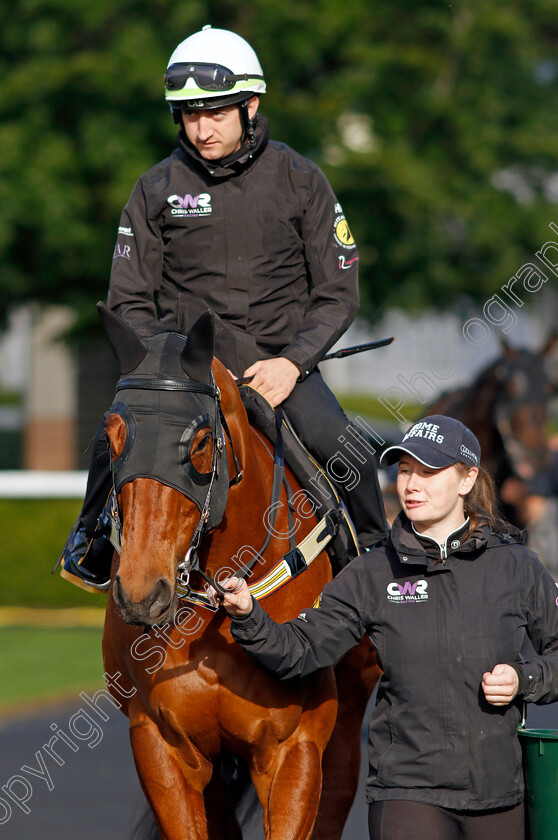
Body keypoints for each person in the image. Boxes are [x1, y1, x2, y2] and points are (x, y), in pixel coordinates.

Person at [57, 25, 388, 592]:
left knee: (343, 446)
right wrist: (165, 368)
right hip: (187, 374)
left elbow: (338, 291)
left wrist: (293, 363)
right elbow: (129, 298)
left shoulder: (301, 179)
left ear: (250, 105)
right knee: (111, 434)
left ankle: (380, 571)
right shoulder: (154, 188)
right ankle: (88, 540)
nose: (202, 128)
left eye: (216, 113)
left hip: (282, 370)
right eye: (189, 115)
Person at [221, 414, 558, 840]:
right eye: (404, 471)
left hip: (500, 798)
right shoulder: (372, 572)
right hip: (407, 795)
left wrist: (524, 679)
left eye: (428, 471)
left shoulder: (517, 565)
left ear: (467, 479)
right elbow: (300, 651)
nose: (411, 485)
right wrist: (249, 614)